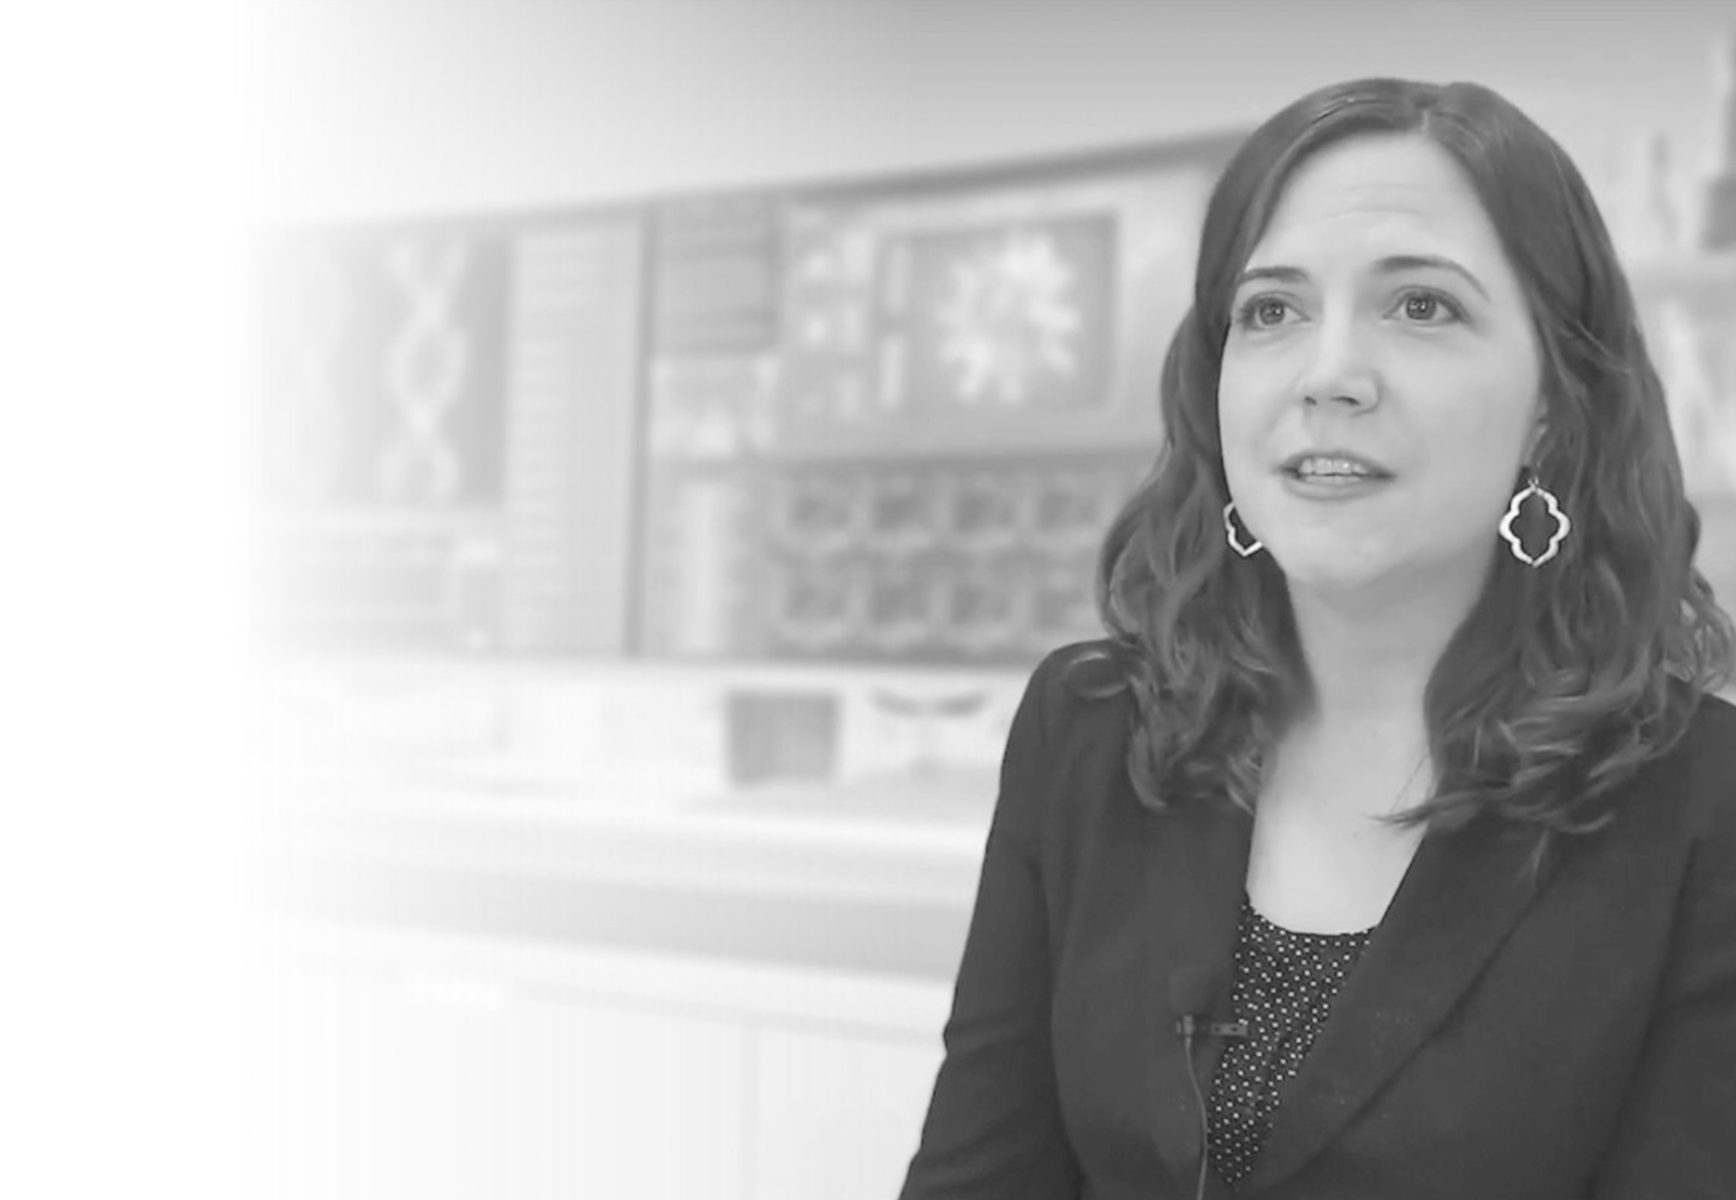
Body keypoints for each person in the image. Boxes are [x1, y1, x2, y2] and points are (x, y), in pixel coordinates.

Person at [897, 76, 1736, 1200]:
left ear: (1552, 401)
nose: (1326, 375)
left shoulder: (1699, 807)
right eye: (1271, 311)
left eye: (1420, 307)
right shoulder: (1092, 726)